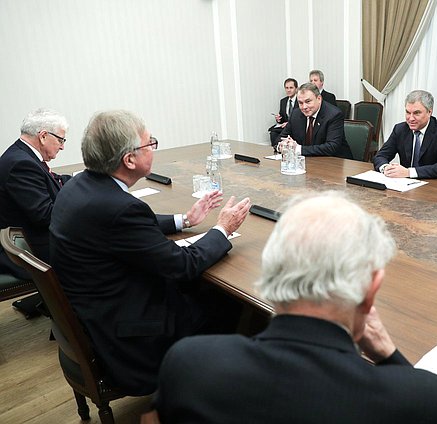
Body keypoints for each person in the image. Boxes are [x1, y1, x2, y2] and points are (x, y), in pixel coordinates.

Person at [153, 192, 437, 424]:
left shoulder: (188, 365)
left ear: (272, 271)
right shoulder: (430, 401)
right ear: (371, 291)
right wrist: (388, 356)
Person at [49, 110, 251, 395]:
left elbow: (126, 224)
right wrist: (223, 229)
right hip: (133, 337)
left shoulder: (80, 186)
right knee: (231, 300)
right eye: (150, 144)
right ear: (129, 159)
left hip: (102, 310)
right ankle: (211, 388)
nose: (153, 148)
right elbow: (183, 265)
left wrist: (185, 220)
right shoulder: (118, 208)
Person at [0, 108, 70, 317]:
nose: (63, 147)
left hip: (26, 237)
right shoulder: (20, 163)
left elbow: (50, 180)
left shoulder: (21, 154)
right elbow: (45, 216)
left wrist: (80, 179)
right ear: (43, 136)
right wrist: (81, 204)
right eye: (61, 140)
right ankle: (76, 314)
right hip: (30, 250)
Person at [373, 90, 437, 179]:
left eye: (417, 113)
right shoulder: (400, 129)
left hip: (432, 186)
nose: (411, 118)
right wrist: (386, 168)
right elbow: (381, 156)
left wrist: (409, 172)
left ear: (429, 112)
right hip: (404, 185)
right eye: (408, 112)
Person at [278, 83, 353, 159]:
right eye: (300, 103)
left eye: (308, 101)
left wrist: (298, 149)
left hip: (335, 162)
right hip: (307, 162)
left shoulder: (334, 115)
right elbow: (281, 138)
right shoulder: (296, 114)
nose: (304, 107)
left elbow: (331, 147)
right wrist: (283, 145)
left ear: (319, 99)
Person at [268, 78, 299, 148]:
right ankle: (276, 150)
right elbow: (282, 118)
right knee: (273, 132)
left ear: (296, 89)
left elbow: (302, 117)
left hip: (296, 126)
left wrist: (289, 123)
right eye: (286, 88)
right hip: (284, 127)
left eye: (291, 88)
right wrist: (278, 119)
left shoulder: (300, 100)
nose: (288, 90)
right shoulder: (283, 101)